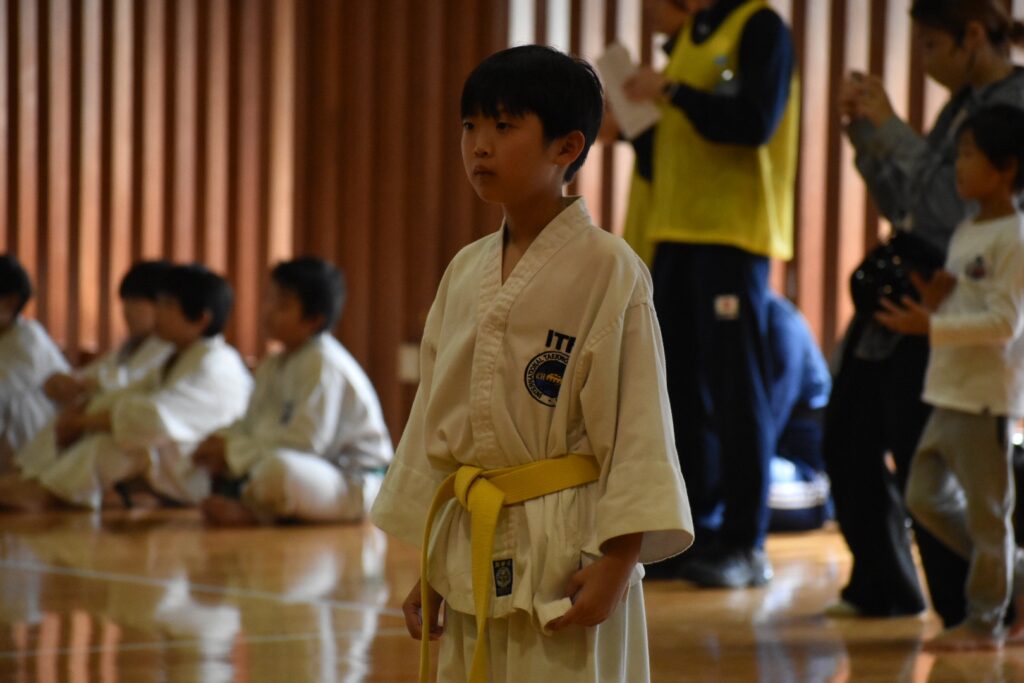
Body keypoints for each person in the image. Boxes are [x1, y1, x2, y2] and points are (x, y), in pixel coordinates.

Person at [370, 45, 693, 683]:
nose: (480, 146)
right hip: (471, 537)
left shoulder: (611, 269)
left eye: (504, 125)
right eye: (470, 126)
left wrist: (619, 560)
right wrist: (431, 568)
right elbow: (435, 418)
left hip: (569, 547)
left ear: (567, 147)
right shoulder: (464, 270)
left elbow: (638, 428)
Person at [825, 0, 1024, 624]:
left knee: (950, 479)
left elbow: (944, 206)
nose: (924, 62)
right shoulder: (960, 104)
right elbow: (907, 203)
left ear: (973, 37)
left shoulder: (1012, 105)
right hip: (922, 292)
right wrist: (867, 133)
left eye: (932, 46)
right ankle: (889, 585)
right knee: (852, 436)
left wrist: (891, 127)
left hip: (962, 320)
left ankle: (982, 606)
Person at [607, 0, 799, 587]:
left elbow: (753, 122)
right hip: (674, 232)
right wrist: (631, 125)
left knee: (737, 389)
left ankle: (745, 543)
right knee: (679, 393)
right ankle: (693, 535)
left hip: (731, 236)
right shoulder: (693, 36)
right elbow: (675, 147)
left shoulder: (760, 26)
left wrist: (672, 92)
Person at [876, 103, 1024, 651]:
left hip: (985, 398)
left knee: (988, 518)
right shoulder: (967, 229)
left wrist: (931, 324)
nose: (957, 166)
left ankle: (986, 622)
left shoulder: (1014, 236)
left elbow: (1006, 323)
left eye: (968, 154)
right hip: (948, 390)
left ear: (1006, 168)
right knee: (922, 498)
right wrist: (940, 300)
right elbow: (972, 304)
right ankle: (1015, 571)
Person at [0, 264, 252, 511]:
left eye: (167, 305)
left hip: (203, 471)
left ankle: (48, 492)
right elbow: (123, 396)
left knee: (117, 444)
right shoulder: (177, 356)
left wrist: (85, 423)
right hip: (174, 459)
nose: (158, 313)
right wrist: (81, 417)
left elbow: (153, 418)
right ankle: (34, 479)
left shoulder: (215, 366)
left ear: (201, 319)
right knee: (94, 417)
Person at [193, 257, 393, 526]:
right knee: (214, 453)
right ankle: (253, 505)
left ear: (314, 320)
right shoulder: (273, 363)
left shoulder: (323, 363)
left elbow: (306, 444)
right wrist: (221, 442)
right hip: (311, 471)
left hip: (351, 480)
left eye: (282, 305)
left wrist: (233, 452)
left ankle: (255, 513)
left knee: (279, 470)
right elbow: (251, 425)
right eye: (269, 299)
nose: (268, 311)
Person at [42, 260, 175, 407]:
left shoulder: (167, 347)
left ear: (162, 304)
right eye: (125, 302)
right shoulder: (131, 347)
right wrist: (66, 382)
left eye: (135, 302)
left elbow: (130, 384)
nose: (127, 311)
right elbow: (90, 374)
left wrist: (89, 384)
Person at [765, 293, 832, 533]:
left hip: (809, 475)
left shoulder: (779, 320)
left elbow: (772, 418)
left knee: (732, 491)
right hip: (774, 459)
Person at [0, 254, 70, 470]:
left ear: (11, 301)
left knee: (16, 403)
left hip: (45, 447)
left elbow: (4, 389)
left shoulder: (28, 338)